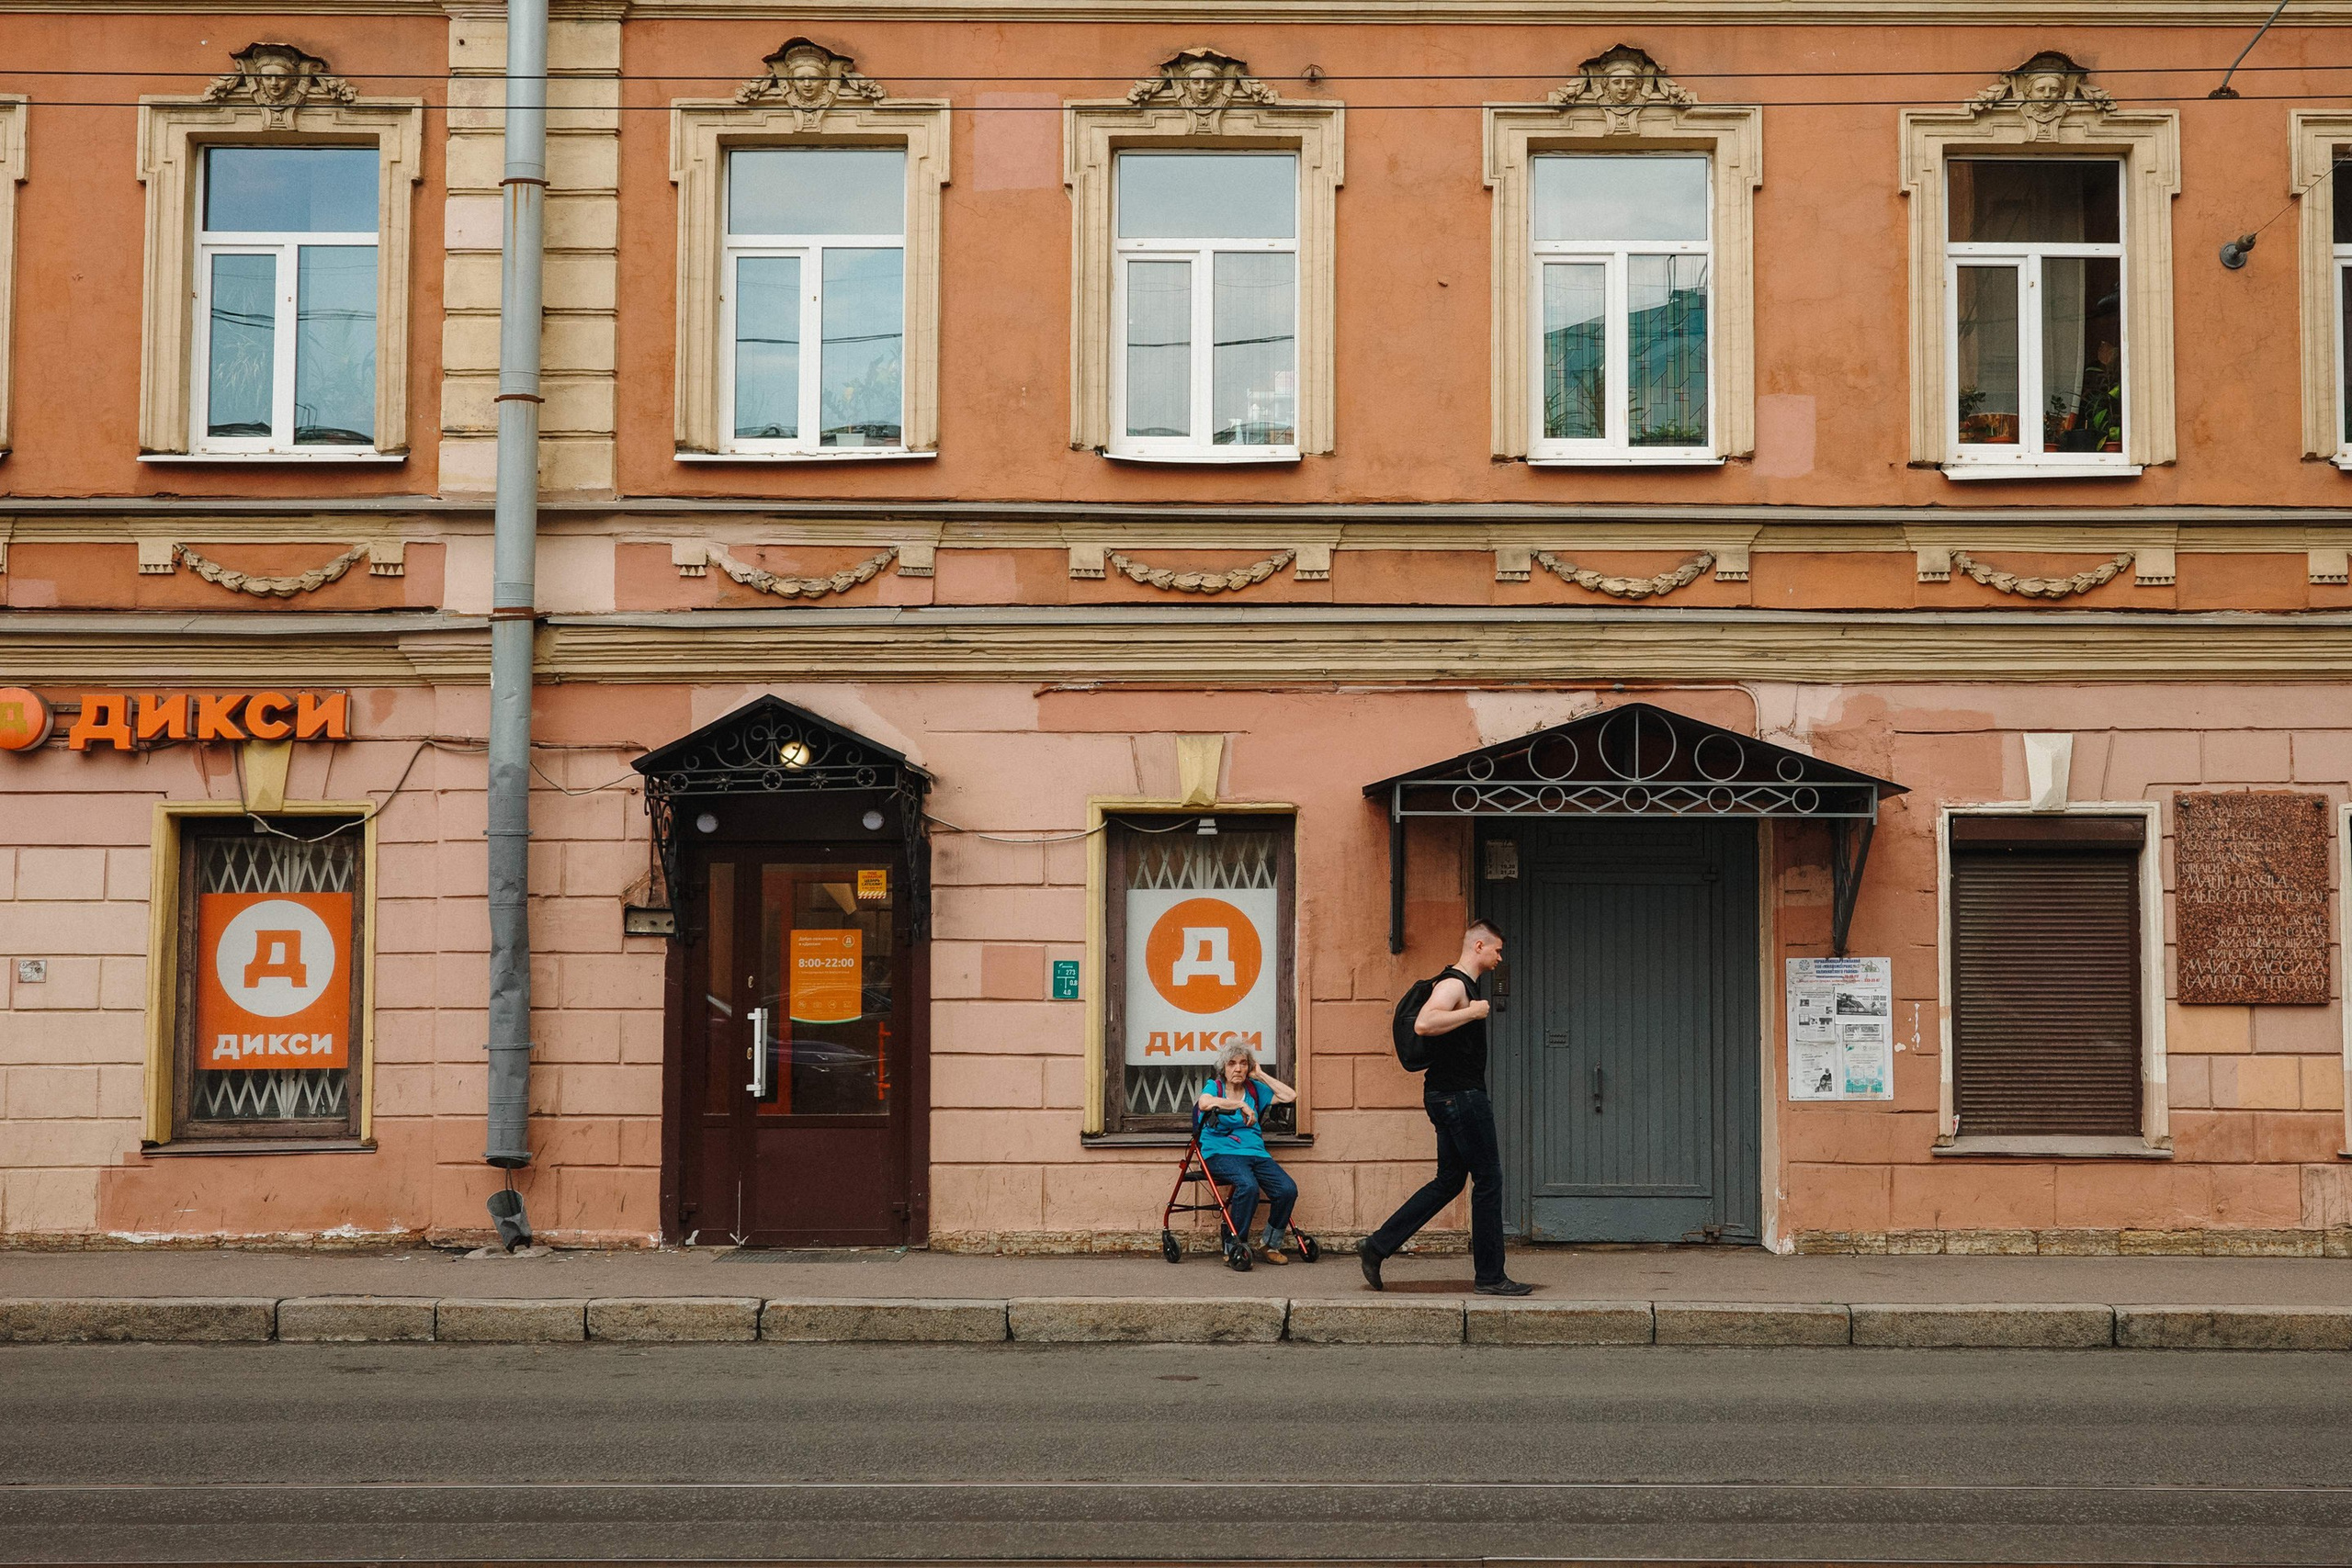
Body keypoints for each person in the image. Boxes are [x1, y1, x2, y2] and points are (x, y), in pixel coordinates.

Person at [1358, 918, 1533, 1296]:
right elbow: (1424, 1023)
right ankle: (1490, 1277)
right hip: (1460, 1097)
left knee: (1450, 1180)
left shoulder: (1459, 983)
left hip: (1446, 1095)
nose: (1500, 958)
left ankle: (1376, 1246)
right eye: (1497, 950)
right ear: (1479, 947)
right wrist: (1472, 1012)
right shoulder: (1455, 984)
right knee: (1488, 1180)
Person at [1195, 1044, 1301, 1265]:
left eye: (1243, 1063)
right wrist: (1239, 1104)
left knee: (1287, 1190)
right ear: (1223, 1068)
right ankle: (1235, 1244)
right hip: (1220, 1152)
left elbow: (1290, 1096)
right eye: (1232, 1063)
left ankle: (1270, 1244)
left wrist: (1260, 1074)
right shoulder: (1215, 1087)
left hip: (1255, 1152)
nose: (1238, 1069)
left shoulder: (1255, 1089)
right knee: (1248, 1186)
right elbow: (1204, 1103)